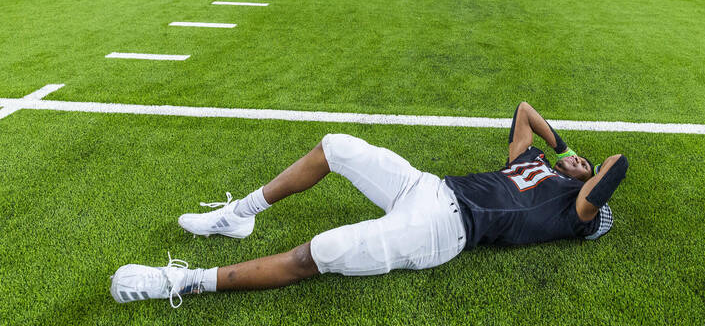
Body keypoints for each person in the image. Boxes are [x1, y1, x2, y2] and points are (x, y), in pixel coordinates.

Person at [111, 102, 624, 308]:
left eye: (588, 171)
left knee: (316, 254)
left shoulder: (570, 210)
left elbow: (617, 166)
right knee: (336, 145)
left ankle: (180, 281)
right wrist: (563, 150)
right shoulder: (531, 162)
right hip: (426, 187)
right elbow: (524, 111)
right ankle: (237, 216)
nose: (587, 165)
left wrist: (586, 172)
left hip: (444, 233)